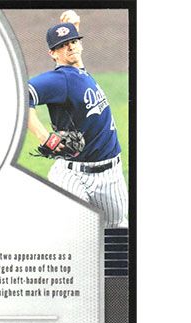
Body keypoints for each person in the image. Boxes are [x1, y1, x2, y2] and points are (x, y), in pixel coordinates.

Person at [27, 10, 128, 228]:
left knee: (117, 229)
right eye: (63, 45)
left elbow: (75, 57)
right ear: (52, 54)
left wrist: (72, 27)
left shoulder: (79, 71)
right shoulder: (60, 79)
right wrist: (43, 136)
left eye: (73, 41)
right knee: (78, 230)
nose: (70, 47)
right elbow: (19, 93)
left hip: (110, 176)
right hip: (71, 174)